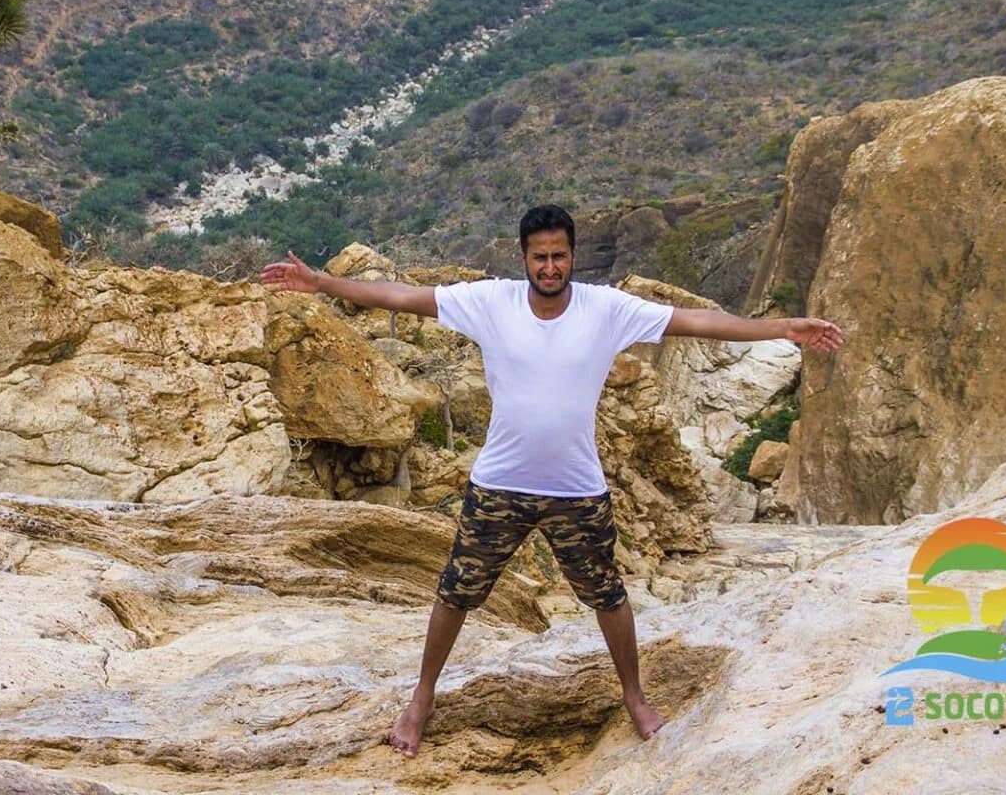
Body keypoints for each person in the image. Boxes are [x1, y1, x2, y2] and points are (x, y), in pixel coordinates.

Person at [259, 204, 844, 756]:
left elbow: (697, 322)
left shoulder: (605, 308)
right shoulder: (492, 302)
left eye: (558, 255)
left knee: (607, 595)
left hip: (576, 489)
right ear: (524, 258)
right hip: (499, 486)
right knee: (456, 592)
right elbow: (403, 297)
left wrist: (782, 328)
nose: (549, 266)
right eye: (538, 256)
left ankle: (635, 697)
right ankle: (421, 698)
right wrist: (324, 285)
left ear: (572, 256)